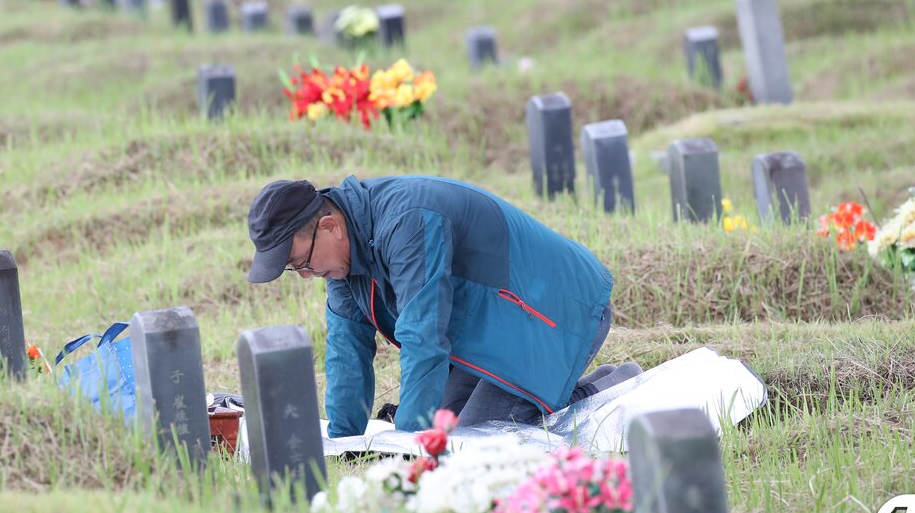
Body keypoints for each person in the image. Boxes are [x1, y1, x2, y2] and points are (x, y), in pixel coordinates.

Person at [245, 177, 638, 438]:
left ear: (329, 226)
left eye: (301, 262)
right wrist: (344, 443)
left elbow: (423, 335)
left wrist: (408, 445)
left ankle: (612, 387)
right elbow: (346, 353)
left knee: (476, 438)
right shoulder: (343, 264)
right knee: (445, 428)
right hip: (490, 332)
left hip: (557, 311)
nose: (306, 275)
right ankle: (559, 388)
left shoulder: (408, 222)